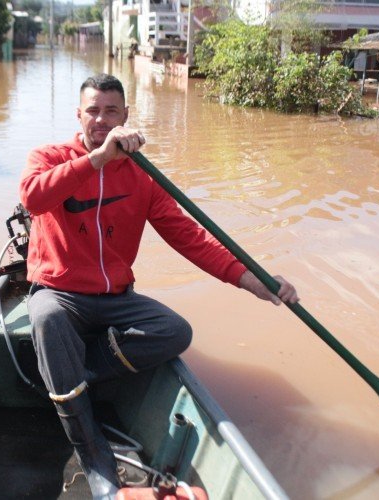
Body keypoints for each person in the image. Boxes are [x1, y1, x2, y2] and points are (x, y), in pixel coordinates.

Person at [18, 73, 299, 499]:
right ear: (78, 115)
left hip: (114, 298)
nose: (101, 119)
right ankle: (93, 451)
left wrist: (253, 281)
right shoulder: (50, 156)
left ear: (126, 117)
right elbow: (32, 198)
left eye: (111, 110)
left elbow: (192, 237)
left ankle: (79, 371)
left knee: (174, 331)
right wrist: (94, 160)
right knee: (47, 318)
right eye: (92, 110)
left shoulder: (142, 177)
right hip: (60, 292)